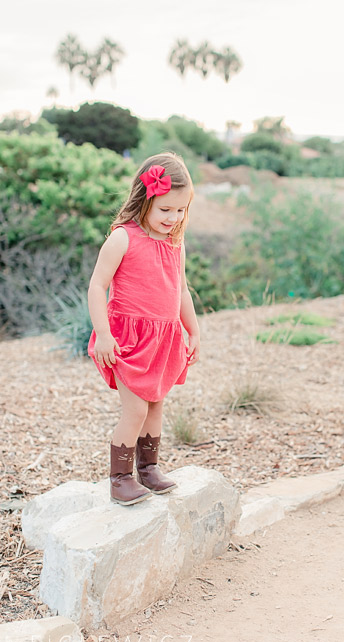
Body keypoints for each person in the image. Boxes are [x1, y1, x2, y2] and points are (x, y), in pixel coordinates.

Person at [87, 153, 200, 505]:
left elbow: (181, 290)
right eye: (165, 209)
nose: (174, 218)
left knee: (155, 406)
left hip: (163, 340)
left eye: (180, 210)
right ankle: (119, 478)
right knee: (135, 409)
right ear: (145, 198)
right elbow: (96, 286)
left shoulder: (174, 244)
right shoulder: (123, 238)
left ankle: (148, 469)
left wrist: (193, 331)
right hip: (127, 341)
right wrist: (104, 334)